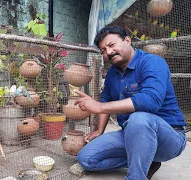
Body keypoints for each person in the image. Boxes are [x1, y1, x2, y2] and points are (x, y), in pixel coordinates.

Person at [74, 25, 187, 180]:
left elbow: (150, 101)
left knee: (139, 118)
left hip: (169, 137)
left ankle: (136, 176)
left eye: (111, 45)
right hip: (131, 133)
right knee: (86, 158)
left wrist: (99, 107)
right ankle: (145, 161)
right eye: (103, 50)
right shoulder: (113, 73)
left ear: (127, 40)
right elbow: (106, 98)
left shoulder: (152, 63)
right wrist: (99, 130)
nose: (108, 52)